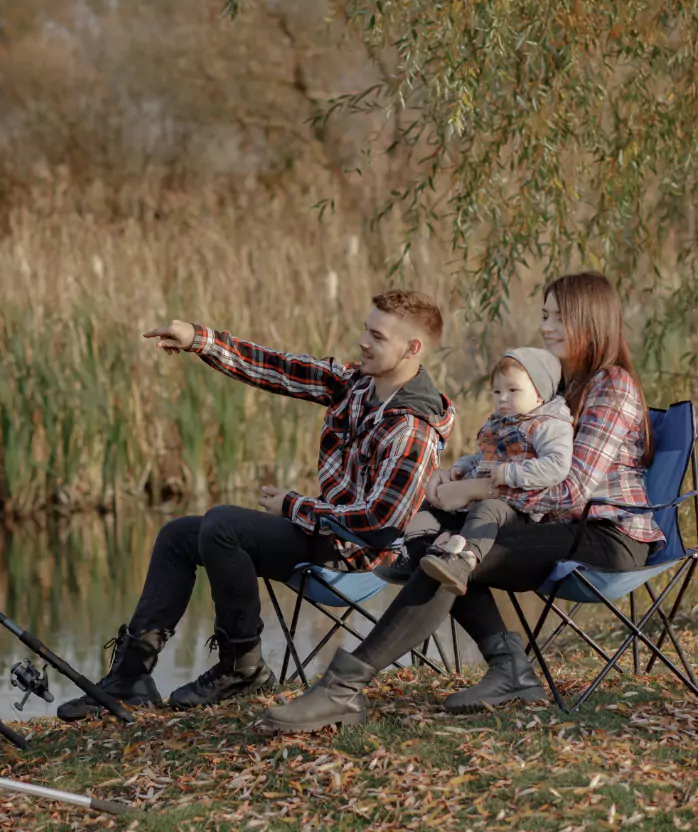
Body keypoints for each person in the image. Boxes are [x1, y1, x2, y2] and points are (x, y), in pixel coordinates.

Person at [255, 271, 663, 734]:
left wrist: (477, 490)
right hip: (557, 524)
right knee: (443, 544)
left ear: (590, 320)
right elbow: (518, 459)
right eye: (544, 315)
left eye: (558, 317)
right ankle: (509, 669)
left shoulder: (611, 386)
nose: (546, 327)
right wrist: (462, 476)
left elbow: (570, 491)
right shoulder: (560, 385)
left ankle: (340, 689)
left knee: (448, 555)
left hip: (608, 538)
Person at [55, 289, 455, 722]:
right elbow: (275, 367)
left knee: (224, 525)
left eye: (376, 336)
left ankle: (241, 667)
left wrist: (295, 506)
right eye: (365, 328)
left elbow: (381, 525)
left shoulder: (412, 428)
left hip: (358, 557)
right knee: (179, 536)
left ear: (412, 348)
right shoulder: (355, 385)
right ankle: (131, 678)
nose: (362, 341)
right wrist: (198, 339)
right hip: (323, 536)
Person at [402, 347, 572, 596]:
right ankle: (416, 555)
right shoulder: (499, 421)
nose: (502, 398)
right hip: (482, 494)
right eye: (497, 391)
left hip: (519, 509)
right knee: (431, 504)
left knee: (487, 509)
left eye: (513, 390)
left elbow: (557, 464)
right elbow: (483, 457)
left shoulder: (548, 425)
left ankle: (463, 561)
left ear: (540, 395)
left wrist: (511, 473)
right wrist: (462, 466)